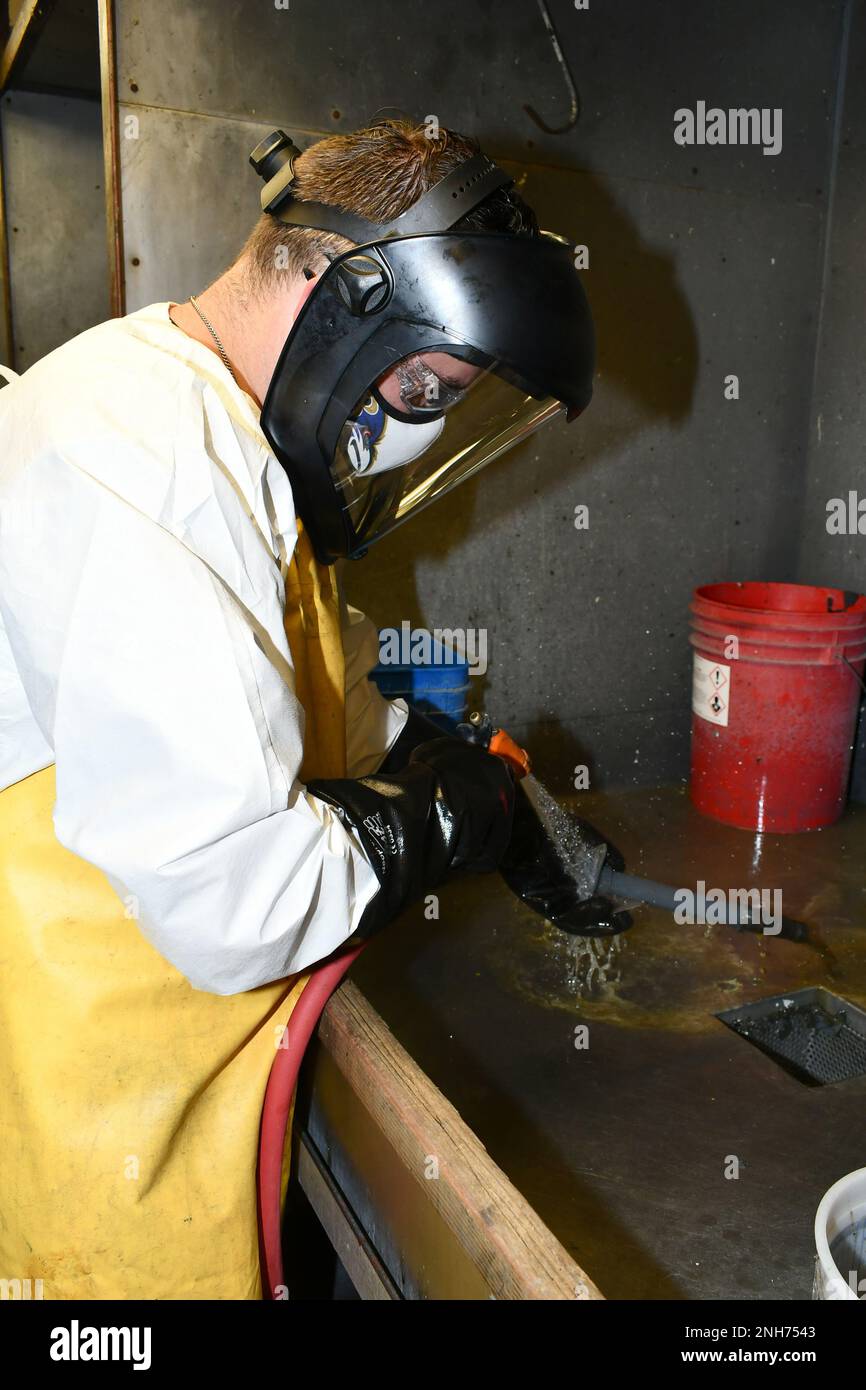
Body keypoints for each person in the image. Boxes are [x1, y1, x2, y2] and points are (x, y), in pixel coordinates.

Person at [0, 119, 593, 1299]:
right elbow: (236, 896)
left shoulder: (197, 418)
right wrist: (439, 824)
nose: (412, 427)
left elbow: (297, 648)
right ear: (339, 295)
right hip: (94, 1112)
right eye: (423, 386)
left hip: (163, 1058)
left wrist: (433, 740)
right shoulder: (151, 469)